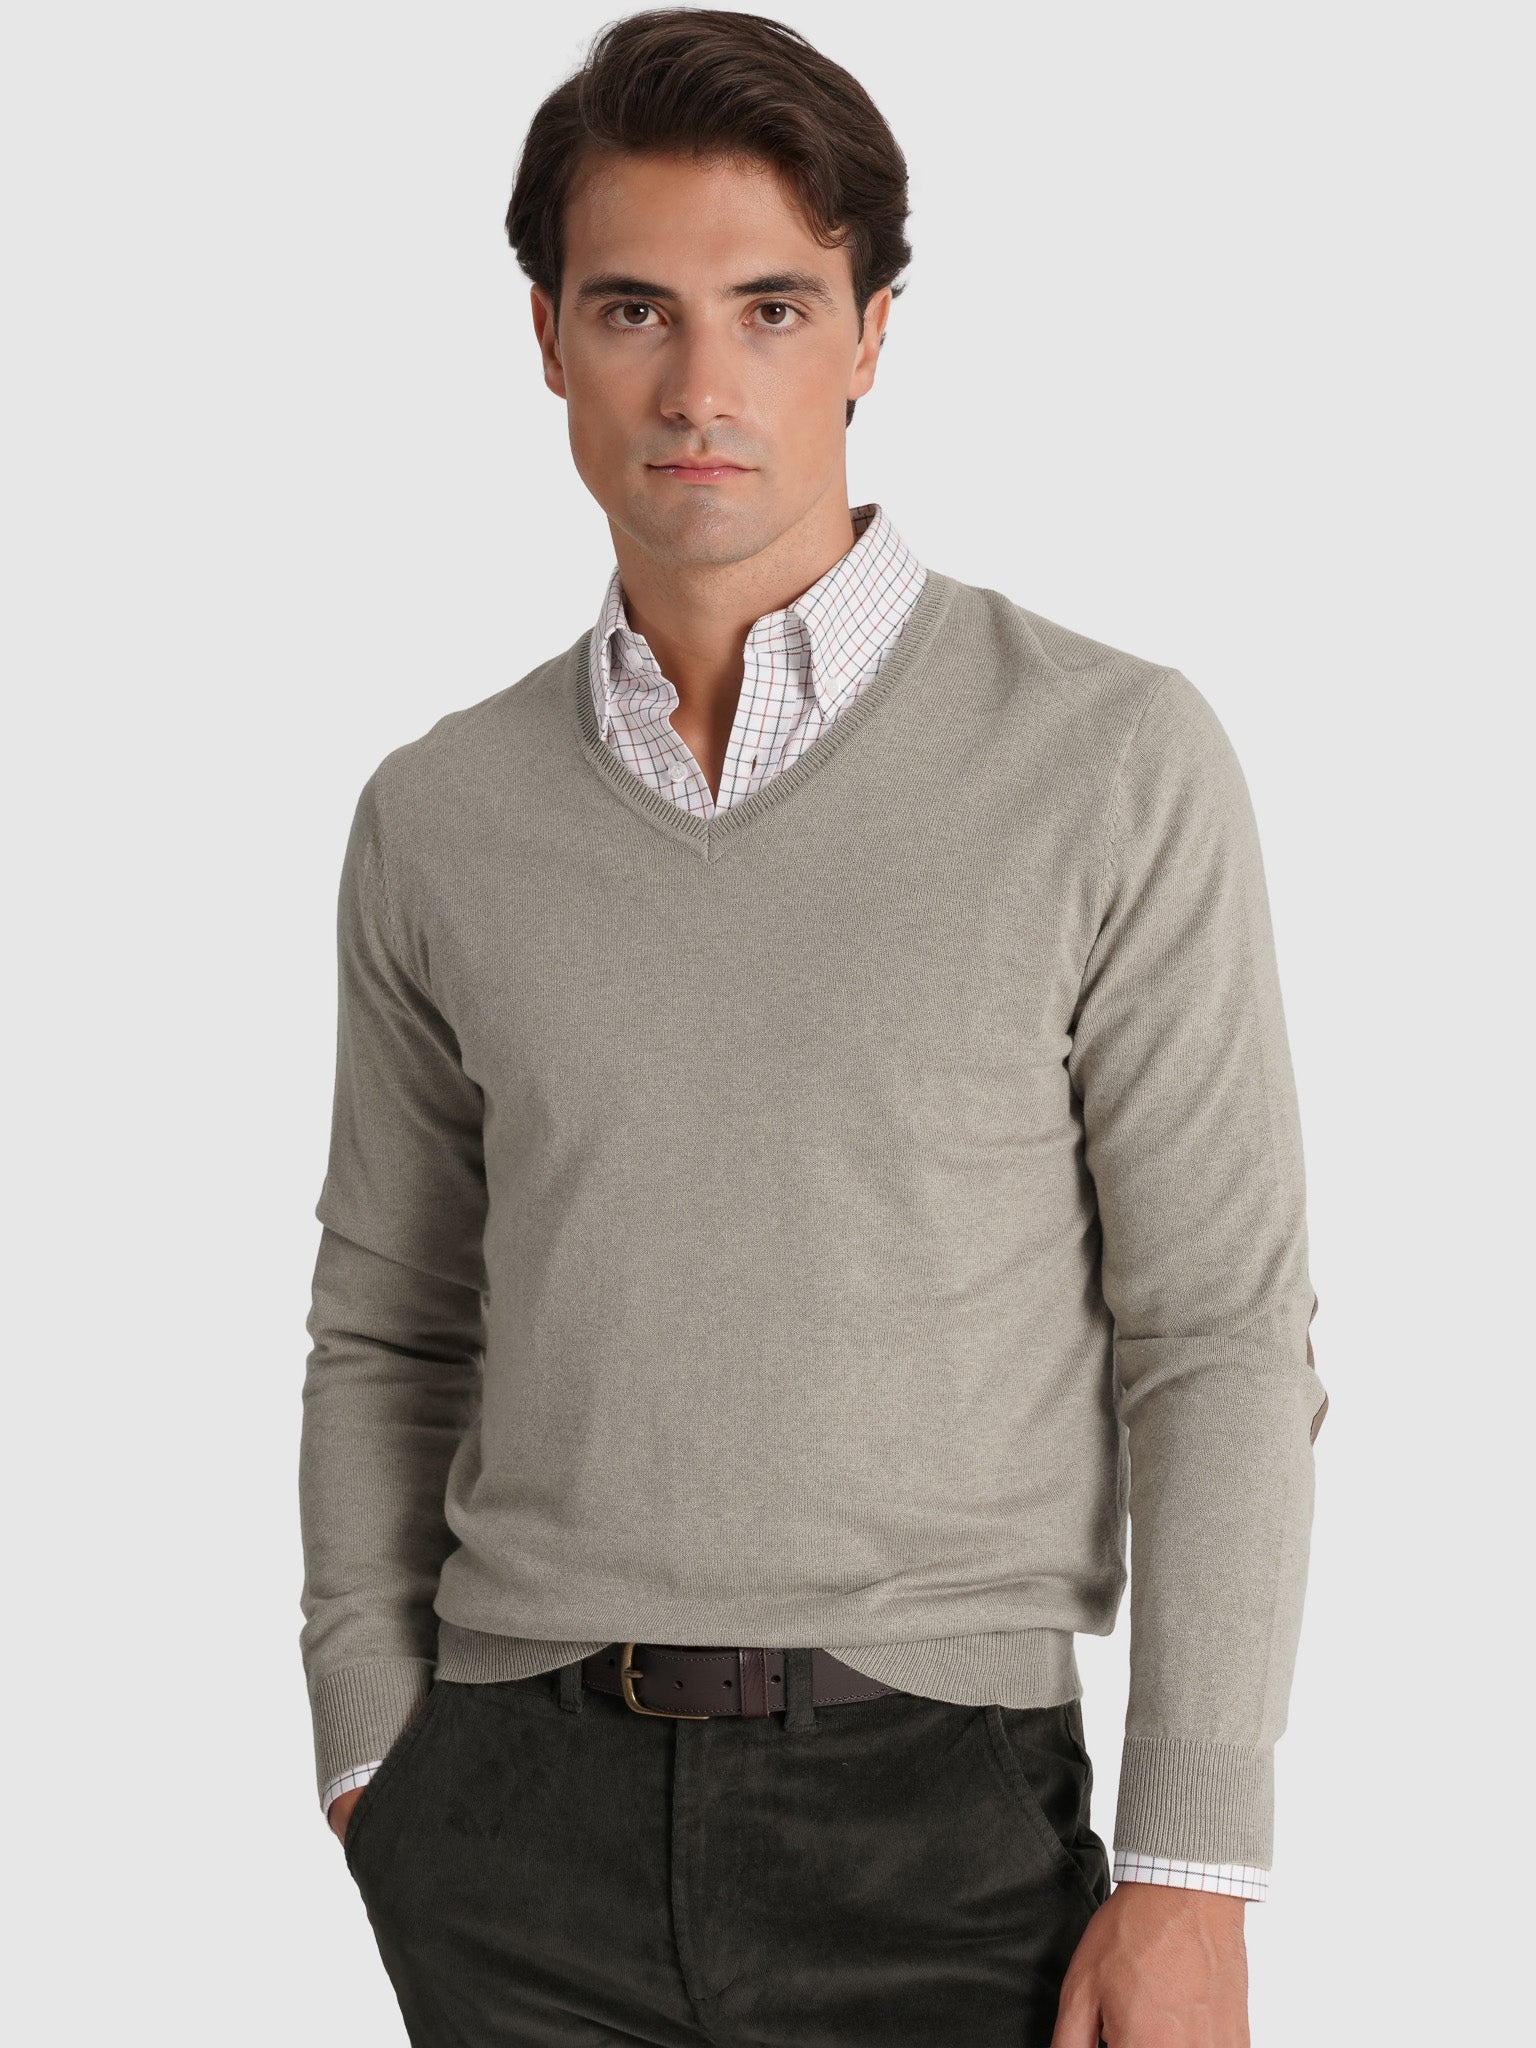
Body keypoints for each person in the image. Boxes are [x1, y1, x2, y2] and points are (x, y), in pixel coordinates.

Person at [297, 11, 1328, 2045]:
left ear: (869, 336)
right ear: (547, 338)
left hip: (940, 1819)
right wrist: (368, 1747)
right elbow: (392, 1323)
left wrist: (1195, 1868)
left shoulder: (1110, 759)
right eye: (635, 310)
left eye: (771, 307)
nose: (701, 387)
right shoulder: (440, 814)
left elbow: (1218, 1333)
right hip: (507, 1823)